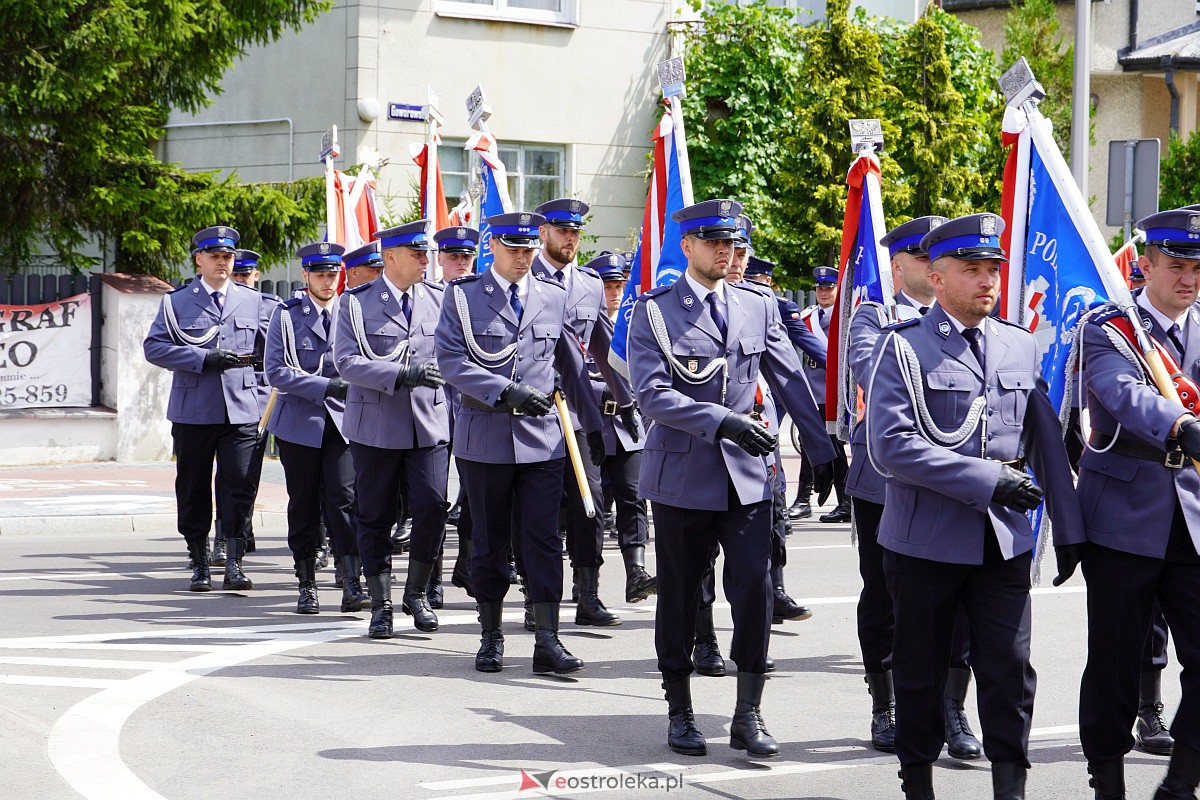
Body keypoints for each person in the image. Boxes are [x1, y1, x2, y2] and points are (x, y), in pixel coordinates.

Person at [865, 212, 1084, 799]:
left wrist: (1069, 526)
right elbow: (891, 447)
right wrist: (986, 481)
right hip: (925, 541)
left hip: (1003, 541)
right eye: (972, 270)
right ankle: (919, 784)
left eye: (993, 269)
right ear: (937, 279)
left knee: (1010, 672)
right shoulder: (903, 349)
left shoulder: (1017, 342)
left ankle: (1010, 786)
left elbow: (1042, 435)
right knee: (920, 671)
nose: (987, 281)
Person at [627, 199, 836, 759]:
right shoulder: (653, 313)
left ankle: (748, 712)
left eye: (733, 242)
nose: (726, 252)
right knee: (679, 594)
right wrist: (724, 423)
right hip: (681, 477)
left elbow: (789, 376)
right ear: (688, 247)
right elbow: (651, 395)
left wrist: (824, 448)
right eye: (714, 242)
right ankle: (680, 709)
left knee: (753, 589)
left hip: (746, 480)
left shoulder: (756, 305)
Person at [434, 210, 605, 675]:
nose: (523, 258)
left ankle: (547, 639)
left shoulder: (551, 296)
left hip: (542, 440)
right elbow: (449, 361)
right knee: (489, 541)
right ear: (493, 247)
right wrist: (503, 393)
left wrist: (600, 425)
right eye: (514, 249)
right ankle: (491, 634)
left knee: (544, 539)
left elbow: (573, 362)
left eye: (530, 249)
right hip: (484, 438)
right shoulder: (465, 297)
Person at [845, 216, 982, 757]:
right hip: (888, 480)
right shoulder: (874, 319)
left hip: (960, 481)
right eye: (922, 259)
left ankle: (952, 707)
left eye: (938, 258)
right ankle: (886, 704)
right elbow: (872, 371)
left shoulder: (976, 323)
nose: (933, 268)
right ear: (898, 267)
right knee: (884, 596)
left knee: (964, 601)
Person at [1076, 208, 1200, 800]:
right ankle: (1108, 781)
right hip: (1124, 518)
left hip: (1194, 520)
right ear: (1144, 264)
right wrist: (1181, 423)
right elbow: (1122, 397)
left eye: (1198, 268)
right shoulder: (1108, 328)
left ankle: (1180, 783)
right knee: (1115, 667)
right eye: (1177, 265)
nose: (1190, 278)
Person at [334, 220, 450, 639]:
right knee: (375, 515)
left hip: (428, 423)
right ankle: (381, 603)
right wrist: (401, 374)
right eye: (418, 254)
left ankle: (416, 592)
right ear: (391, 257)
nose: (425, 261)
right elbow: (346, 362)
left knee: (434, 506)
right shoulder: (355, 303)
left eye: (426, 255)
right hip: (376, 425)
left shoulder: (440, 299)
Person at [143, 226, 271, 592]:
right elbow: (154, 348)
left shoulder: (252, 300)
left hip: (241, 409)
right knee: (194, 486)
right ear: (199, 259)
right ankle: (199, 561)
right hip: (194, 409)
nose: (222, 262)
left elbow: (269, 354)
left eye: (228, 256)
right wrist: (202, 357)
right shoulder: (176, 302)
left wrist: (263, 397)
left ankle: (233, 562)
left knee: (239, 486)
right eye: (215, 256)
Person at [530, 198, 638, 627]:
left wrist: (627, 402)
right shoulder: (524, 274)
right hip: (534, 412)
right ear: (544, 234)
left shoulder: (590, 284)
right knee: (537, 512)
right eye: (562, 230)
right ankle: (535, 594)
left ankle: (588, 594)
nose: (570, 238)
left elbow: (603, 347)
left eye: (576, 231)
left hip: (580, 415)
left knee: (588, 503)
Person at [263, 242, 369, 615]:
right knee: (304, 504)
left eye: (332, 274)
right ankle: (306, 581)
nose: (328, 281)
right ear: (305, 276)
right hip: (299, 423)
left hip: (343, 422)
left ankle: (351, 579)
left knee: (344, 500)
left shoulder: (351, 313)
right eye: (320, 274)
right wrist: (327, 386)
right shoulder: (286, 315)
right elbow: (276, 371)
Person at [586, 252, 656, 604]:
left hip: (628, 426)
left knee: (633, 498)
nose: (614, 292)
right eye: (607, 285)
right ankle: (587, 587)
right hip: (592, 424)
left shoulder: (633, 322)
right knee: (590, 507)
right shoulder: (582, 323)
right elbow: (575, 374)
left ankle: (636, 573)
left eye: (618, 285)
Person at [431, 225, 481, 608]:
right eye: (454, 257)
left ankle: (466, 563)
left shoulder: (480, 296)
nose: (461, 263)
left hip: (471, 408)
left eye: (467, 256)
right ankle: (430, 578)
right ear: (440, 259)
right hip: (432, 406)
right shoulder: (428, 297)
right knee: (432, 500)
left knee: (474, 496)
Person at [797, 266, 851, 523]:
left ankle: (845, 501)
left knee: (835, 448)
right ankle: (802, 499)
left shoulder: (845, 318)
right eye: (819, 288)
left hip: (833, 391)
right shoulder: (807, 317)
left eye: (829, 287)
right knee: (809, 444)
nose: (823, 292)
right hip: (812, 388)